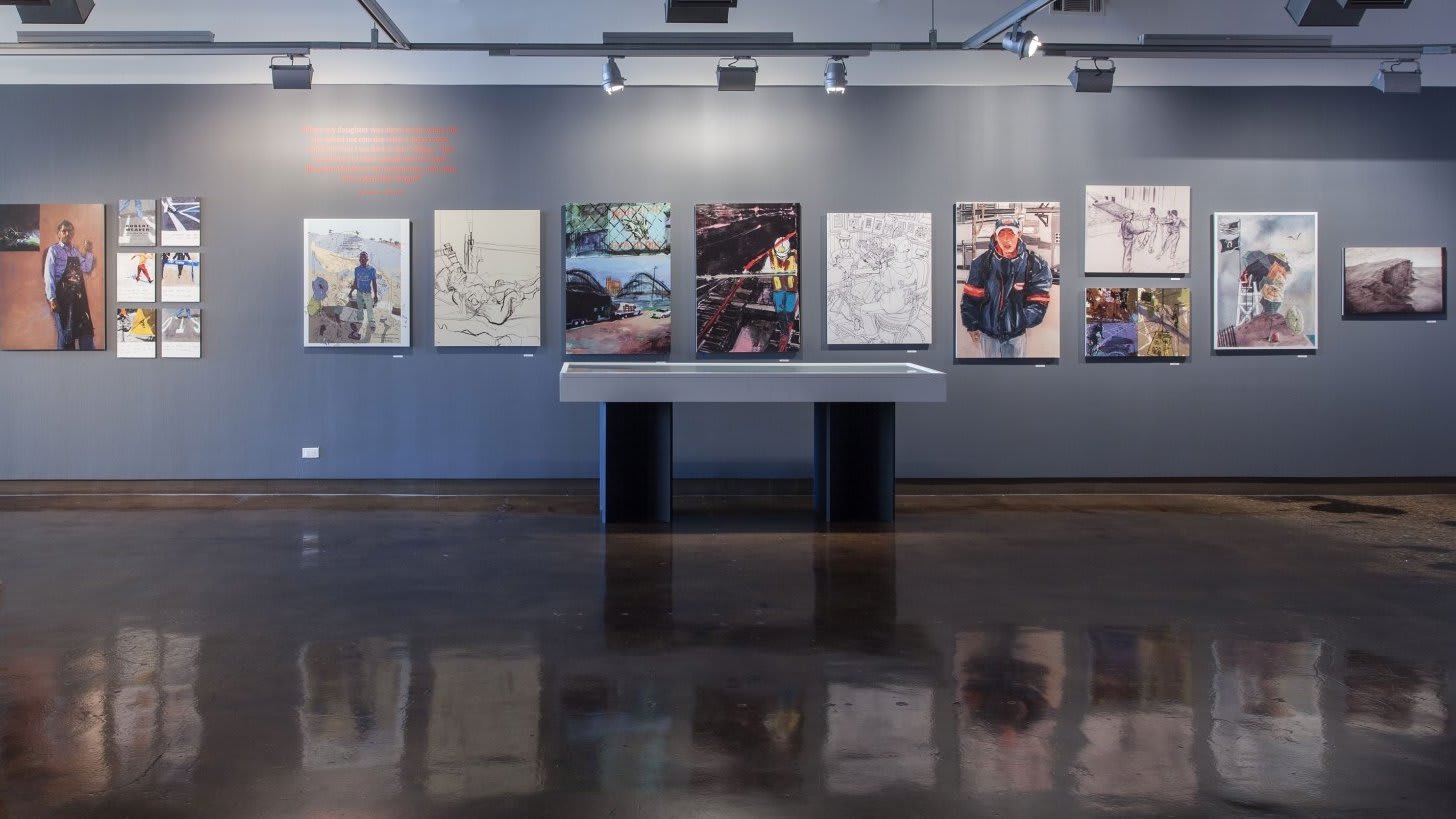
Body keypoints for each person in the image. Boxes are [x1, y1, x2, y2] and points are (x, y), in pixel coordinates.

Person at [960, 216, 1053, 358]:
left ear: (1019, 235)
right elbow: (970, 297)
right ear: (995, 237)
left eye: (1011, 233)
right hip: (988, 335)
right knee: (991, 375)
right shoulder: (981, 263)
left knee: (1016, 375)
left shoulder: (1035, 263)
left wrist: (1019, 320)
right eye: (1001, 234)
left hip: (1016, 337)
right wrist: (971, 324)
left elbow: (1039, 300)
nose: (1006, 239)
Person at [42, 219, 96, 350]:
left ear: (73, 233)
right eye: (64, 231)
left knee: (85, 332)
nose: (67, 233)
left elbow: (87, 268)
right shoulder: (53, 250)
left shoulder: (75, 252)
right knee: (67, 335)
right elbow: (48, 275)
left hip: (79, 299)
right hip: (63, 299)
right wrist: (52, 298)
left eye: (70, 230)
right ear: (58, 234)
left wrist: (88, 251)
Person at [762, 234, 798, 351]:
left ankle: (791, 319)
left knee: (789, 309)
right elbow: (764, 272)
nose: (782, 258)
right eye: (780, 255)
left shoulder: (796, 255)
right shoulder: (771, 256)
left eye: (784, 255)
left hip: (791, 288)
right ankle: (784, 333)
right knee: (780, 311)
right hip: (777, 289)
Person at [348, 250, 379, 341]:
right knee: (360, 308)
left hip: (367, 293)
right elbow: (355, 282)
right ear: (359, 259)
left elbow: (374, 282)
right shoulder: (357, 269)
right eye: (361, 258)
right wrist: (351, 292)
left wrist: (376, 295)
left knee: (369, 308)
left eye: (364, 257)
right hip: (359, 293)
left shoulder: (372, 270)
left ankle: (372, 323)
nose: (362, 259)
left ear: (367, 259)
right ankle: (360, 321)